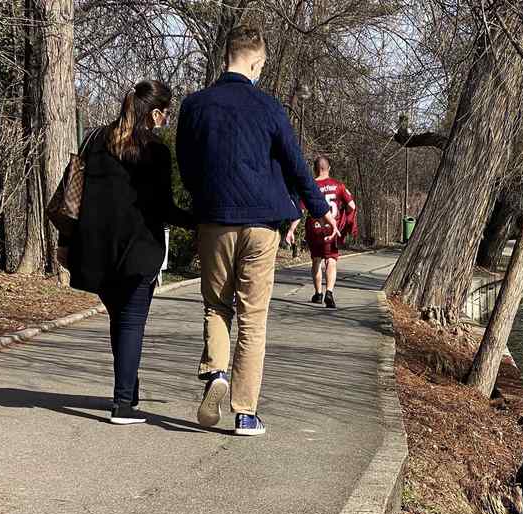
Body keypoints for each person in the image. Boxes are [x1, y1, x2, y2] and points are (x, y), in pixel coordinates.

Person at [176, 26, 335, 436]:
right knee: (253, 317)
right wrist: (318, 210)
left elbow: (187, 166)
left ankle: (215, 374)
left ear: (226, 55)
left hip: (215, 220)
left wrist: (205, 199)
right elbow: (296, 165)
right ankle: (245, 412)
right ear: (257, 61)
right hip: (262, 224)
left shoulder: (195, 106)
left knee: (216, 305)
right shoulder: (269, 108)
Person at [60, 80, 193, 425]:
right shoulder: (155, 152)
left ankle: (128, 390)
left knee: (121, 321)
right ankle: (122, 404)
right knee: (131, 323)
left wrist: (66, 242)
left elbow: (76, 198)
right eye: (166, 114)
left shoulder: (94, 139)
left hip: (96, 251)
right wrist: (199, 222)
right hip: (138, 251)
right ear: (156, 113)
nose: (167, 120)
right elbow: (165, 208)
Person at [290, 155, 357, 309]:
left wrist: (292, 229)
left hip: (314, 229)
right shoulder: (338, 186)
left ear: (314, 169)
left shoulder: (310, 186)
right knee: (331, 261)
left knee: (316, 261)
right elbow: (352, 205)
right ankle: (329, 292)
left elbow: (300, 210)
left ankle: (318, 293)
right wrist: (345, 223)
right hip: (332, 229)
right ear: (329, 168)